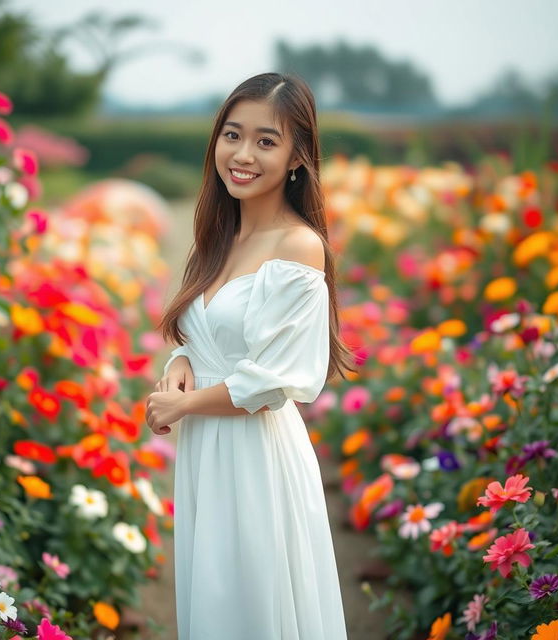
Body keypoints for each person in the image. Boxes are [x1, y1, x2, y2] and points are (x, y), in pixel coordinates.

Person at [146, 72, 357, 640]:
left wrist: (180, 409)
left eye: (266, 141)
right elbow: (208, 340)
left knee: (251, 604)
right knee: (214, 601)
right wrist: (180, 365)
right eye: (232, 135)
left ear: (297, 157)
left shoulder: (298, 246)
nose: (242, 155)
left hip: (255, 457)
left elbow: (269, 384)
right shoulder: (218, 237)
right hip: (207, 455)